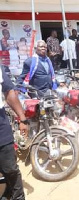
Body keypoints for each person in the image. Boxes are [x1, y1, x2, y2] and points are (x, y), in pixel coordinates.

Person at [0, 64, 28, 200]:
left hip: (0, 126)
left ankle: (17, 197)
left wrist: (22, 119)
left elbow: (9, 92)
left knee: (10, 168)